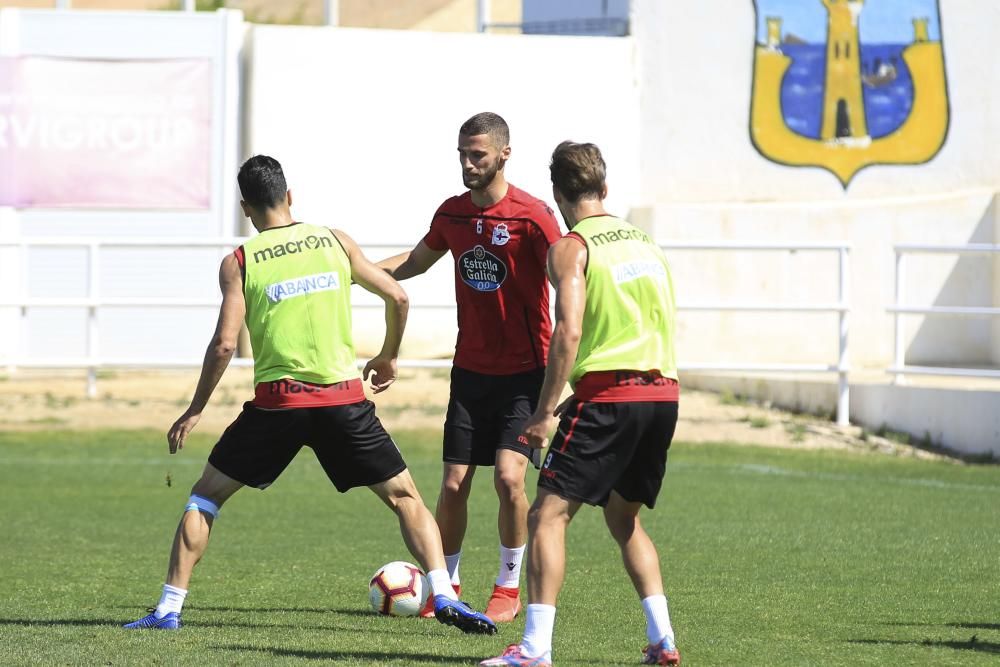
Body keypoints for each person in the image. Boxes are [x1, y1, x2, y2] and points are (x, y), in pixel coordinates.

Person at [123, 155, 496, 636]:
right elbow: (399, 297)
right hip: (343, 401)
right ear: (289, 195)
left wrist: (196, 409)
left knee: (204, 499)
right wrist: (388, 357)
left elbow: (222, 344)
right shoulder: (333, 241)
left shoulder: (240, 262)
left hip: (277, 405)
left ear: (245, 208)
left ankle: (168, 609)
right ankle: (444, 595)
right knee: (406, 498)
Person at [480, 142, 681, 666]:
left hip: (612, 398)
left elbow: (567, 332)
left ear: (557, 193)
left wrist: (546, 411)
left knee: (546, 516)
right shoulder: (645, 243)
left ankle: (533, 650)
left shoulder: (571, 248)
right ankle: (663, 641)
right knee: (624, 520)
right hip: (661, 396)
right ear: (604, 188)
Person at [377, 112, 562, 623]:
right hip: (471, 372)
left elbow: (571, 277)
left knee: (508, 479)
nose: (467, 163)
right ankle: (448, 586)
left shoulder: (532, 217)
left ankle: (507, 585)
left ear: (504, 154)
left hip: (527, 372)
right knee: (455, 482)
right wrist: (356, 271)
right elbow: (415, 262)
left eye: (477, 154)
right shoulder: (453, 214)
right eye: (462, 153)